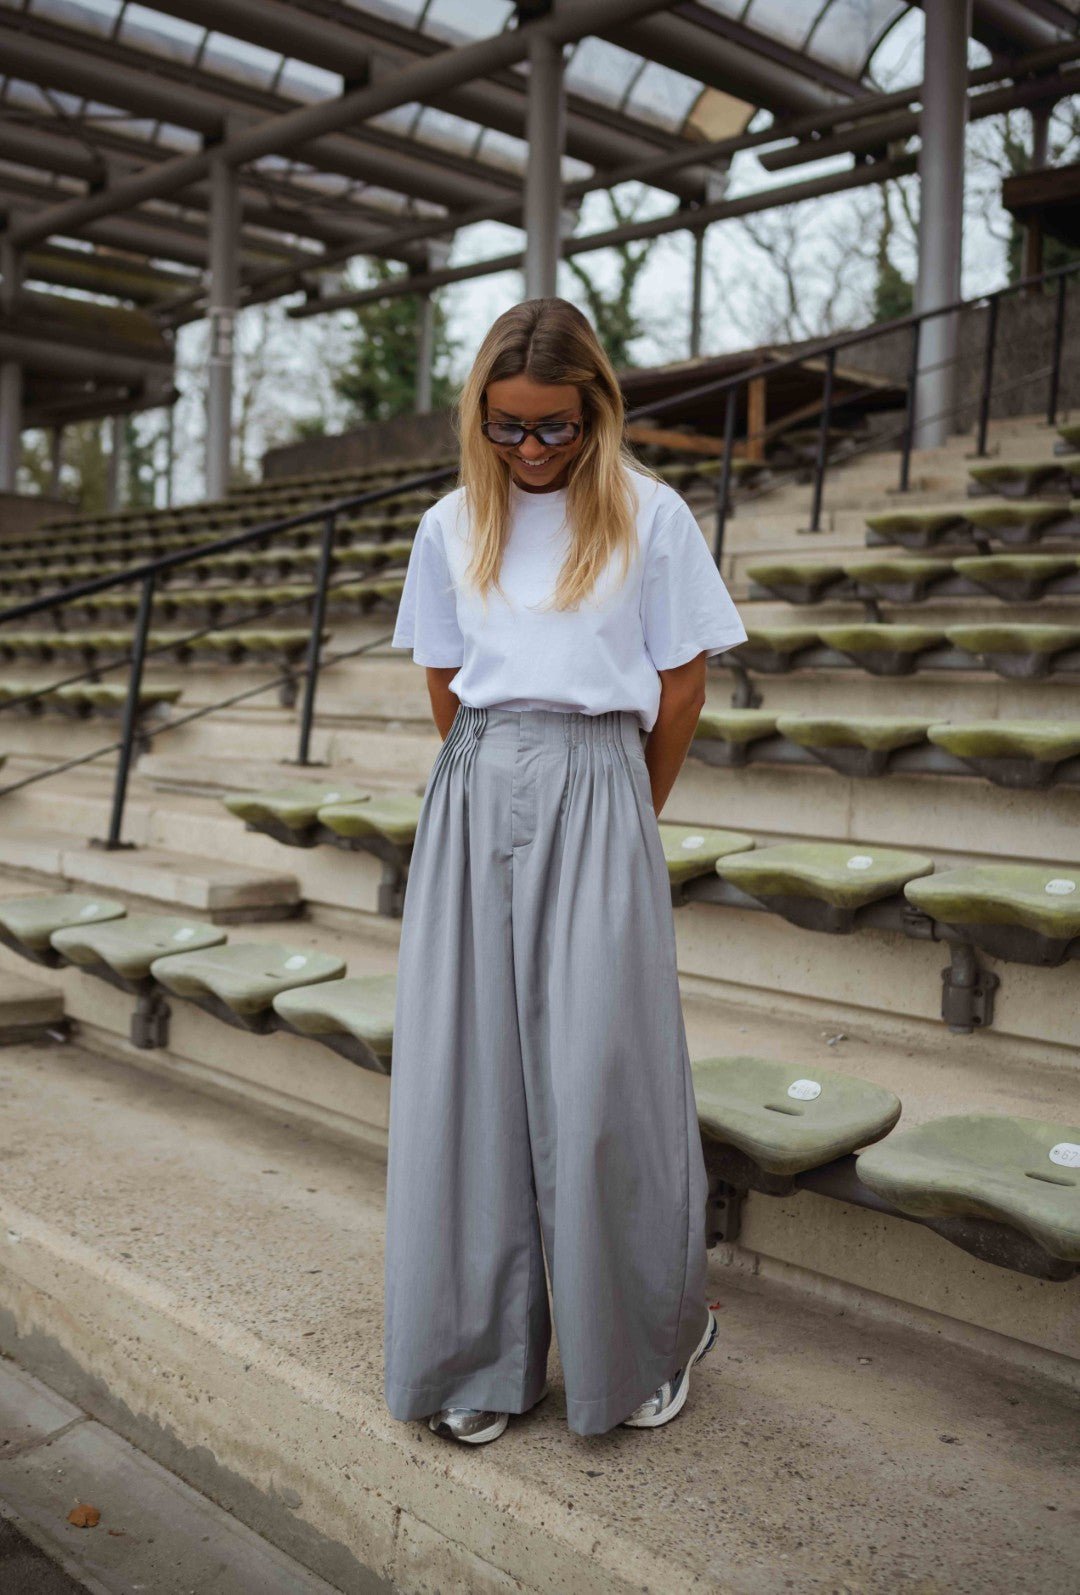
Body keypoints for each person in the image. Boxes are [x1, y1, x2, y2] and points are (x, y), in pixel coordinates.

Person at [384, 296, 747, 1444]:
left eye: (555, 426)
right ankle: (481, 1356)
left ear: (596, 409)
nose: (532, 450)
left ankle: (643, 1338)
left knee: (602, 1080)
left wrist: (625, 808)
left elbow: (681, 687)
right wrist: (494, 775)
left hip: (603, 781)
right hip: (480, 777)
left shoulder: (653, 515)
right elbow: (446, 683)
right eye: (507, 428)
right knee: (470, 1080)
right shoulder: (451, 523)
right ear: (477, 421)